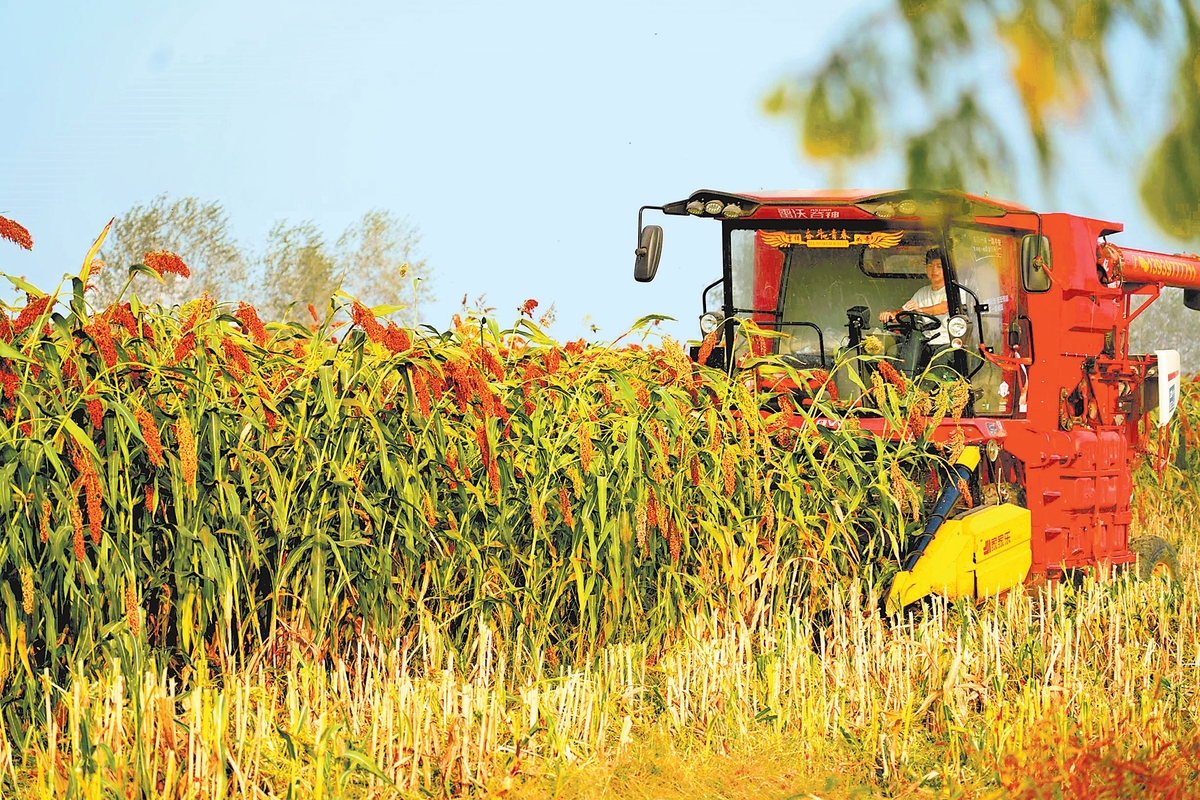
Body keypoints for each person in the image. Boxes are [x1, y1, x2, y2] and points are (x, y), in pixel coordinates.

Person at [877, 247, 965, 345]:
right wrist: (890, 315)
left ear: (947, 269)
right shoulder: (922, 292)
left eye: (939, 266)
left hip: (948, 344)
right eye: (930, 266)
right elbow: (903, 311)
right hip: (926, 342)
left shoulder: (955, 290)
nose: (934, 270)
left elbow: (944, 307)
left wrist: (920, 311)